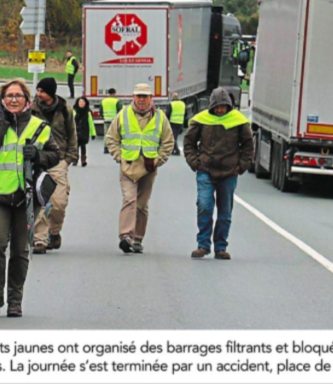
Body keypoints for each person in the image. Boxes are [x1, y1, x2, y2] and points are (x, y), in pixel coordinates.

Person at [0, 79, 60, 317]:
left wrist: (38, 156)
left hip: (25, 196)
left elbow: (55, 155)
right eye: (9, 96)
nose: (14, 99)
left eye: (18, 95)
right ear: (2, 100)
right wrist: (3, 121)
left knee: (20, 250)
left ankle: (15, 300)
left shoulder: (39, 126)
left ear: (27, 99)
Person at [104, 82, 174, 254]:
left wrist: (159, 159)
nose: (141, 100)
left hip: (148, 169)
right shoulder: (123, 114)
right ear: (133, 97)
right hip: (128, 167)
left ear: (151, 98)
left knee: (141, 205)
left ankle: (137, 239)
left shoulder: (160, 117)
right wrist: (118, 157)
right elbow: (111, 138)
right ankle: (126, 236)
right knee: (129, 200)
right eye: (139, 96)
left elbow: (168, 142)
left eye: (145, 96)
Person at [183, 88, 253, 260]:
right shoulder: (201, 120)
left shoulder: (238, 121)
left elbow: (248, 146)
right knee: (204, 206)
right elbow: (189, 143)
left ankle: (220, 247)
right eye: (217, 107)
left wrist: (240, 167)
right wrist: (195, 162)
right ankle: (203, 245)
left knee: (225, 212)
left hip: (229, 172)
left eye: (223, 107)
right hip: (205, 170)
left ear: (229, 106)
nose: (220, 110)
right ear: (211, 106)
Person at [31, 77, 77, 253]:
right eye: (38, 90)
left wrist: (68, 160)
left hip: (58, 162)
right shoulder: (31, 110)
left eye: (42, 91)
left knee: (58, 203)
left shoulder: (65, 111)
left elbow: (72, 136)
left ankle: (54, 232)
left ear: (50, 93)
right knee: (40, 201)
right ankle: (40, 240)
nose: (38, 94)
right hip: (37, 160)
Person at [73, 95, 95, 167]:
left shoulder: (88, 112)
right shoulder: (74, 111)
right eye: (80, 101)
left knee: (83, 146)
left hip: (84, 131)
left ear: (85, 103)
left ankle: (83, 160)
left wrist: (93, 133)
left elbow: (91, 123)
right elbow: (70, 122)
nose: (81, 103)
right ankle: (75, 159)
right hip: (75, 131)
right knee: (76, 146)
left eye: (83, 102)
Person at [101, 88, 121, 154]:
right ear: (114, 93)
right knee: (116, 134)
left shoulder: (104, 101)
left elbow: (100, 110)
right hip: (115, 121)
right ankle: (114, 148)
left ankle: (105, 148)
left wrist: (103, 117)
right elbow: (120, 111)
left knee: (106, 134)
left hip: (106, 120)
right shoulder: (117, 101)